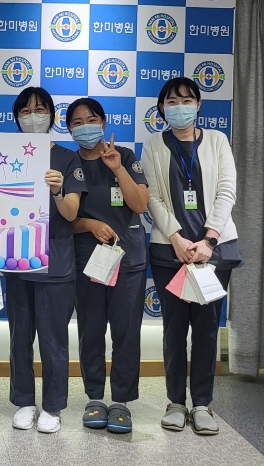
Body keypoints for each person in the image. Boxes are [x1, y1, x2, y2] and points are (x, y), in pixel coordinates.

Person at [141, 77, 241, 435]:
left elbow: (227, 191)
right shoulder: (154, 144)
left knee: (206, 329)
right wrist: (177, 238)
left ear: (198, 104)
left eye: (186, 100)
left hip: (213, 252)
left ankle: (202, 403)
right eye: (172, 101)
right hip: (171, 252)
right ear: (162, 108)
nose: (179, 106)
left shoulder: (217, 140)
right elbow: (152, 197)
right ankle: (175, 402)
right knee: (173, 330)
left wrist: (208, 240)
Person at [6, 87, 87, 433]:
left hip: (55, 263)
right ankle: (24, 401)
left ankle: (53, 406)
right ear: (16, 118)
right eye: (25, 111)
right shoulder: (5, 154)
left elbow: (71, 213)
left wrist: (57, 190)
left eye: (40, 110)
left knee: (54, 341)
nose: (33, 117)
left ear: (53, 116)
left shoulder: (68, 159)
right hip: (16, 261)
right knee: (19, 338)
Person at [67, 98, 149, 434]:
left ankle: (121, 402)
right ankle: (95, 399)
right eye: (77, 122)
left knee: (126, 332)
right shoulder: (68, 163)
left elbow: (140, 204)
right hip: (87, 261)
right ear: (69, 129)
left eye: (91, 120)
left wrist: (117, 168)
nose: (85, 127)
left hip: (127, 259)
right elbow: (63, 218)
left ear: (103, 122)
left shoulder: (124, 156)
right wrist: (89, 225)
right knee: (91, 330)